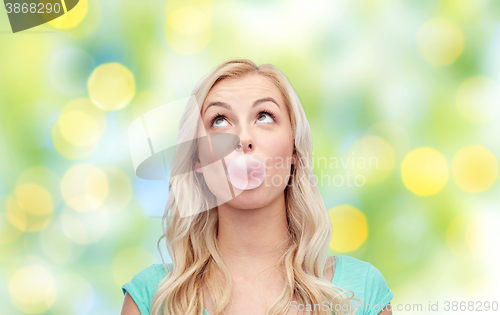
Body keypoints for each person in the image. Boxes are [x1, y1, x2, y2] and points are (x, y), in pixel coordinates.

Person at [120, 59, 394, 315]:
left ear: (294, 151)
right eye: (220, 120)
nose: (243, 138)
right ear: (197, 161)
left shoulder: (360, 292)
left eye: (264, 116)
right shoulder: (150, 298)